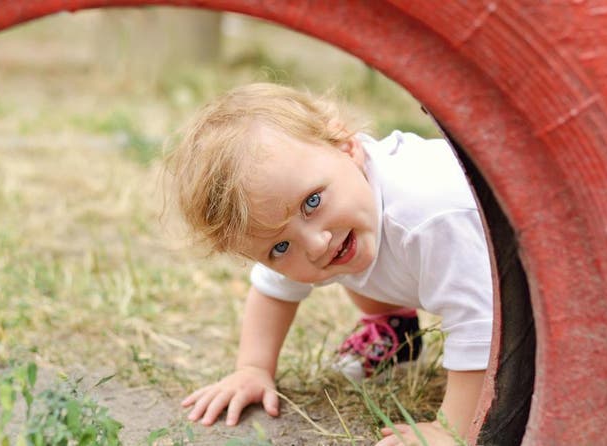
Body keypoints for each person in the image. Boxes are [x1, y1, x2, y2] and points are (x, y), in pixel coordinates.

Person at [167, 82, 493, 445]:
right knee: (350, 252)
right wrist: (253, 368)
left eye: (312, 202)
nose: (316, 244)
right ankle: (394, 326)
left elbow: (479, 324)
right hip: (440, 266)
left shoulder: (429, 215)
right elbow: (273, 292)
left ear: (347, 145)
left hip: (524, 284)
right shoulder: (325, 206)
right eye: (280, 247)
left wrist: (451, 429)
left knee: (360, 250)